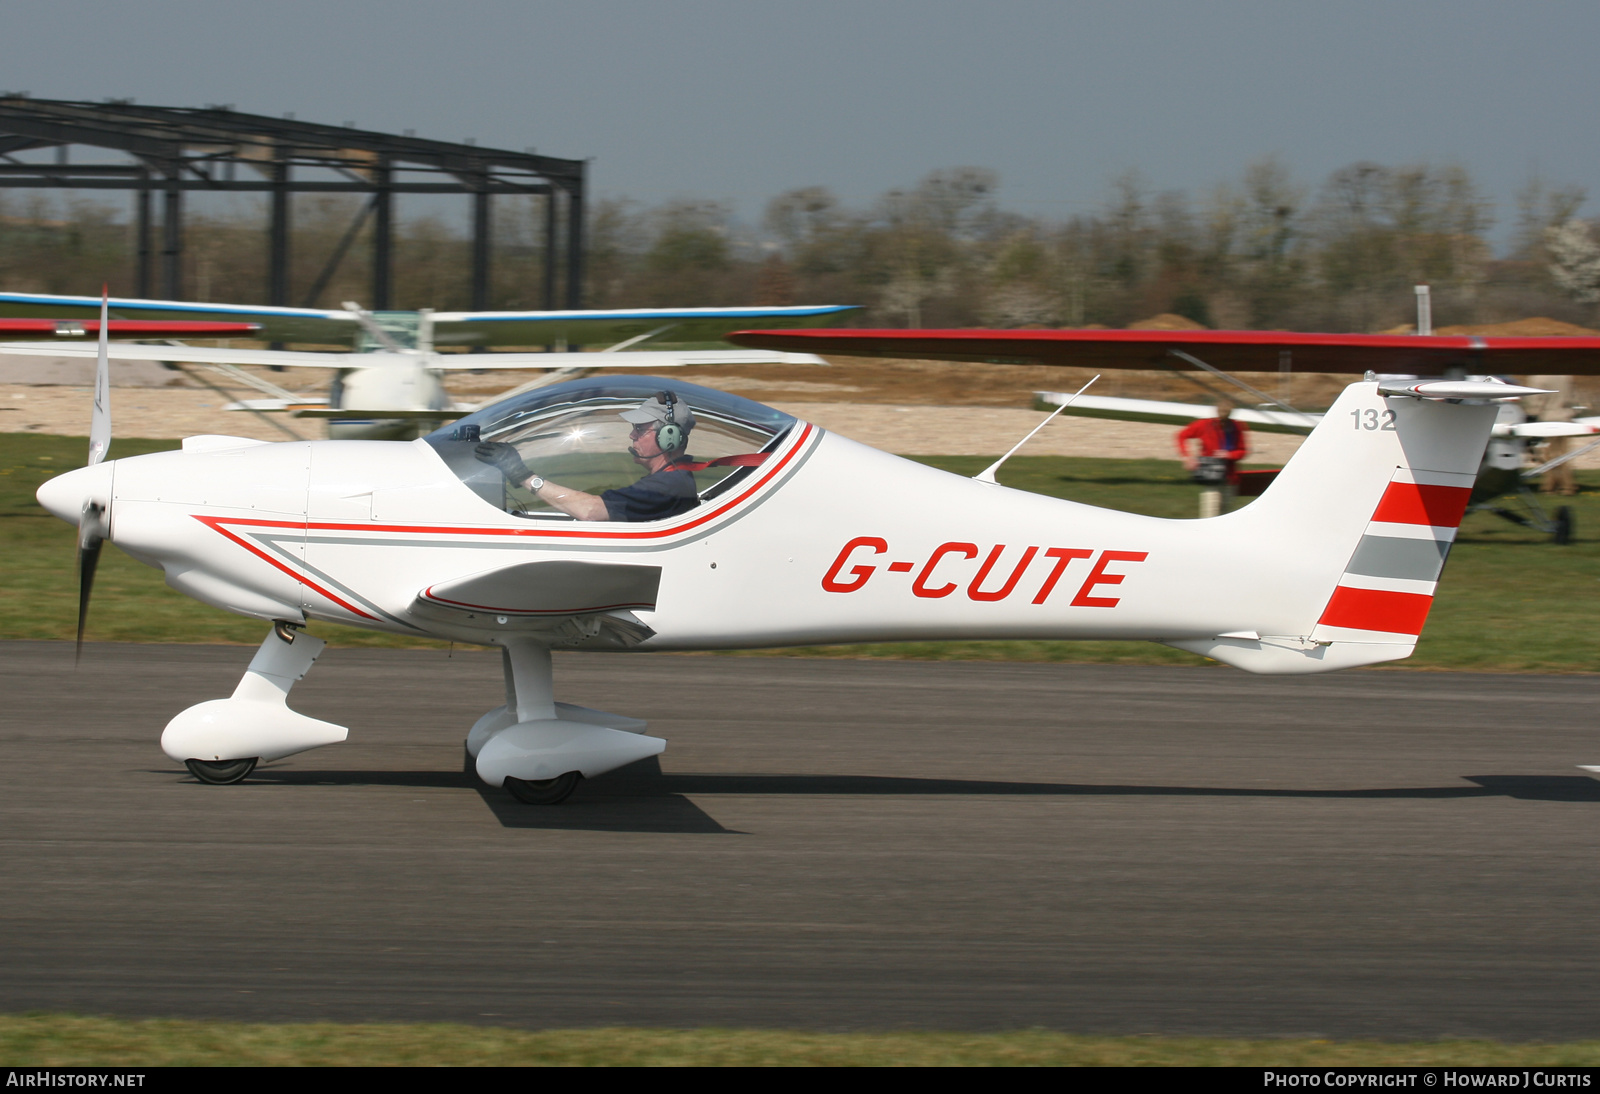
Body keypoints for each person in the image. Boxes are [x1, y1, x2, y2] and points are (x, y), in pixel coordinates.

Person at [475, 391, 700, 522]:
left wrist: (522, 475)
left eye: (640, 429)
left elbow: (591, 510)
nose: (632, 435)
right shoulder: (675, 480)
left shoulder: (667, 486)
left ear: (668, 437)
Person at [1175, 397, 1250, 517]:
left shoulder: (1237, 427)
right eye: (1221, 418)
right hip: (1211, 477)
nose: (1222, 422)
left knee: (1226, 515)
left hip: (1230, 478)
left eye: (1225, 419)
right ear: (1217, 412)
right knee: (1209, 515)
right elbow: (1181, 436)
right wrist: (1187, 457)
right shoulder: (1205, 425)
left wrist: (1228, 455)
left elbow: (1243, 451)